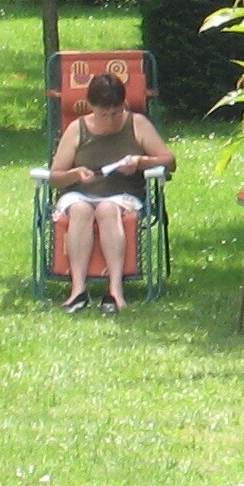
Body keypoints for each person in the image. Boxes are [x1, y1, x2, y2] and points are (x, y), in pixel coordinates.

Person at [49, 73, 174, 312]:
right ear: (90, 107)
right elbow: (55, 177)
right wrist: (76, 174)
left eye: (115, 113)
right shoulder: (78, 129)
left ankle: (115, 290)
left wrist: (140, 162)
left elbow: (169, 161)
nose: (109, 120)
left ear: (123, 105)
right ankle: (78, 290)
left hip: (122, 194)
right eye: (103, 114)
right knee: (80, 210)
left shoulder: (136, 124)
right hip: (80, 193)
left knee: (107, 209)